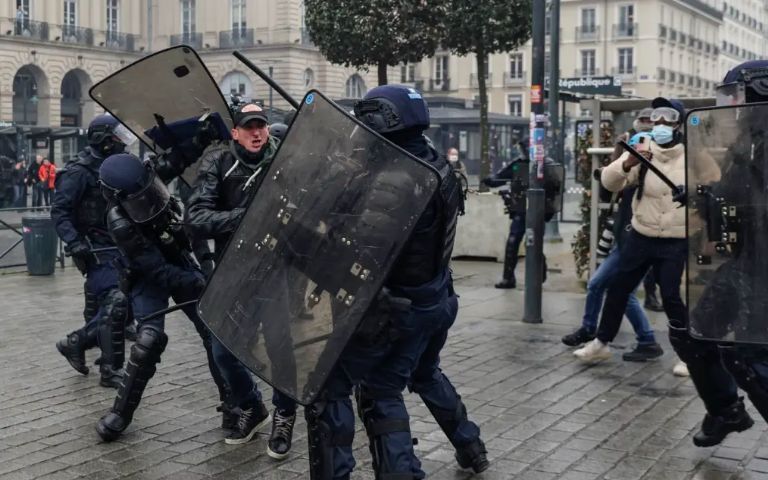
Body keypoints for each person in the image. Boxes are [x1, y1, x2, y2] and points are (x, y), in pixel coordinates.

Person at [302, 84, 482, 479]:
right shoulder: (433, 164)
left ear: (379, 120)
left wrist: (304, 249)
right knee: (406, 380)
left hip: (394, 310)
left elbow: (361, 258)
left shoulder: (392, 182)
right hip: (432, 300)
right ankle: (470, 446)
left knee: (336, 389)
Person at [185, 103, 298, 456]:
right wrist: (243, 217)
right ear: (235, 132)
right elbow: (197, 217)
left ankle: (285, 413)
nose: (256, 132)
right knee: (223, 350)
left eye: (261, 126)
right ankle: (252, 405)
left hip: (276, 269)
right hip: (233, 271)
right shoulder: (217, 163)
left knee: (280, 347)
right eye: (248, 127)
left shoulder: (285, 163)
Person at [94, 153, 230, 442]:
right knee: (148, 341)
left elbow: (173, 168)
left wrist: (197, 141)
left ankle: (237, 402)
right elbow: (154, 269)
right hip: (147, 275)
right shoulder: (119, 220)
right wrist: (195, 280)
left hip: (177, 259)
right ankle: (120, 414)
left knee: (214, 329)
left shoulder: (147, 179)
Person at [668, 60, 768, 447]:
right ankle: (726, 410)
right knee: (694, 335)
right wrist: (703, 197)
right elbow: (737, 198)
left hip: (762, 269)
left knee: (749, 355)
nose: (732, 106)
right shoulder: (750, 140)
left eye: (737, 96)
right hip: (748, 261)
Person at [573, 98, 708, 365]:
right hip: (641, 234)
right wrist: (627, 164)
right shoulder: (643, 149)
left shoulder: (694, 154)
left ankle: (689, 355)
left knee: (670, 295)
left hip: (675, 239)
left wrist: (694, 193)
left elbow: (714, 185)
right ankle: (601, 342)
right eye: (655, 116)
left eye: (667, 116)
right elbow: (610, 183)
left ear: (678, 123)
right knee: (619, 288)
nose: (659, 123)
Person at [562, 133, 664, 362]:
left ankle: (642, 339)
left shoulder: (649, 175)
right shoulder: (630, 169)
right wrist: (622, 151)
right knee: (609, 288)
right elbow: (609, 180)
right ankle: (637, 338)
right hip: (625, 241)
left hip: (633, 243)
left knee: (609, 287)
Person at [52, 114, 131, 389]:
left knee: (128, 305)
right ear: (104, 139)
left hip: (120, 245)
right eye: (117, 135)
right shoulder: (78, 172)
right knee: (116, 301)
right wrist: (75, 242)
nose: (123, 141)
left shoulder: (117, 167)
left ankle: (76, 343)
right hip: (95, 248)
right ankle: (110, 370)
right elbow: (59, 212)